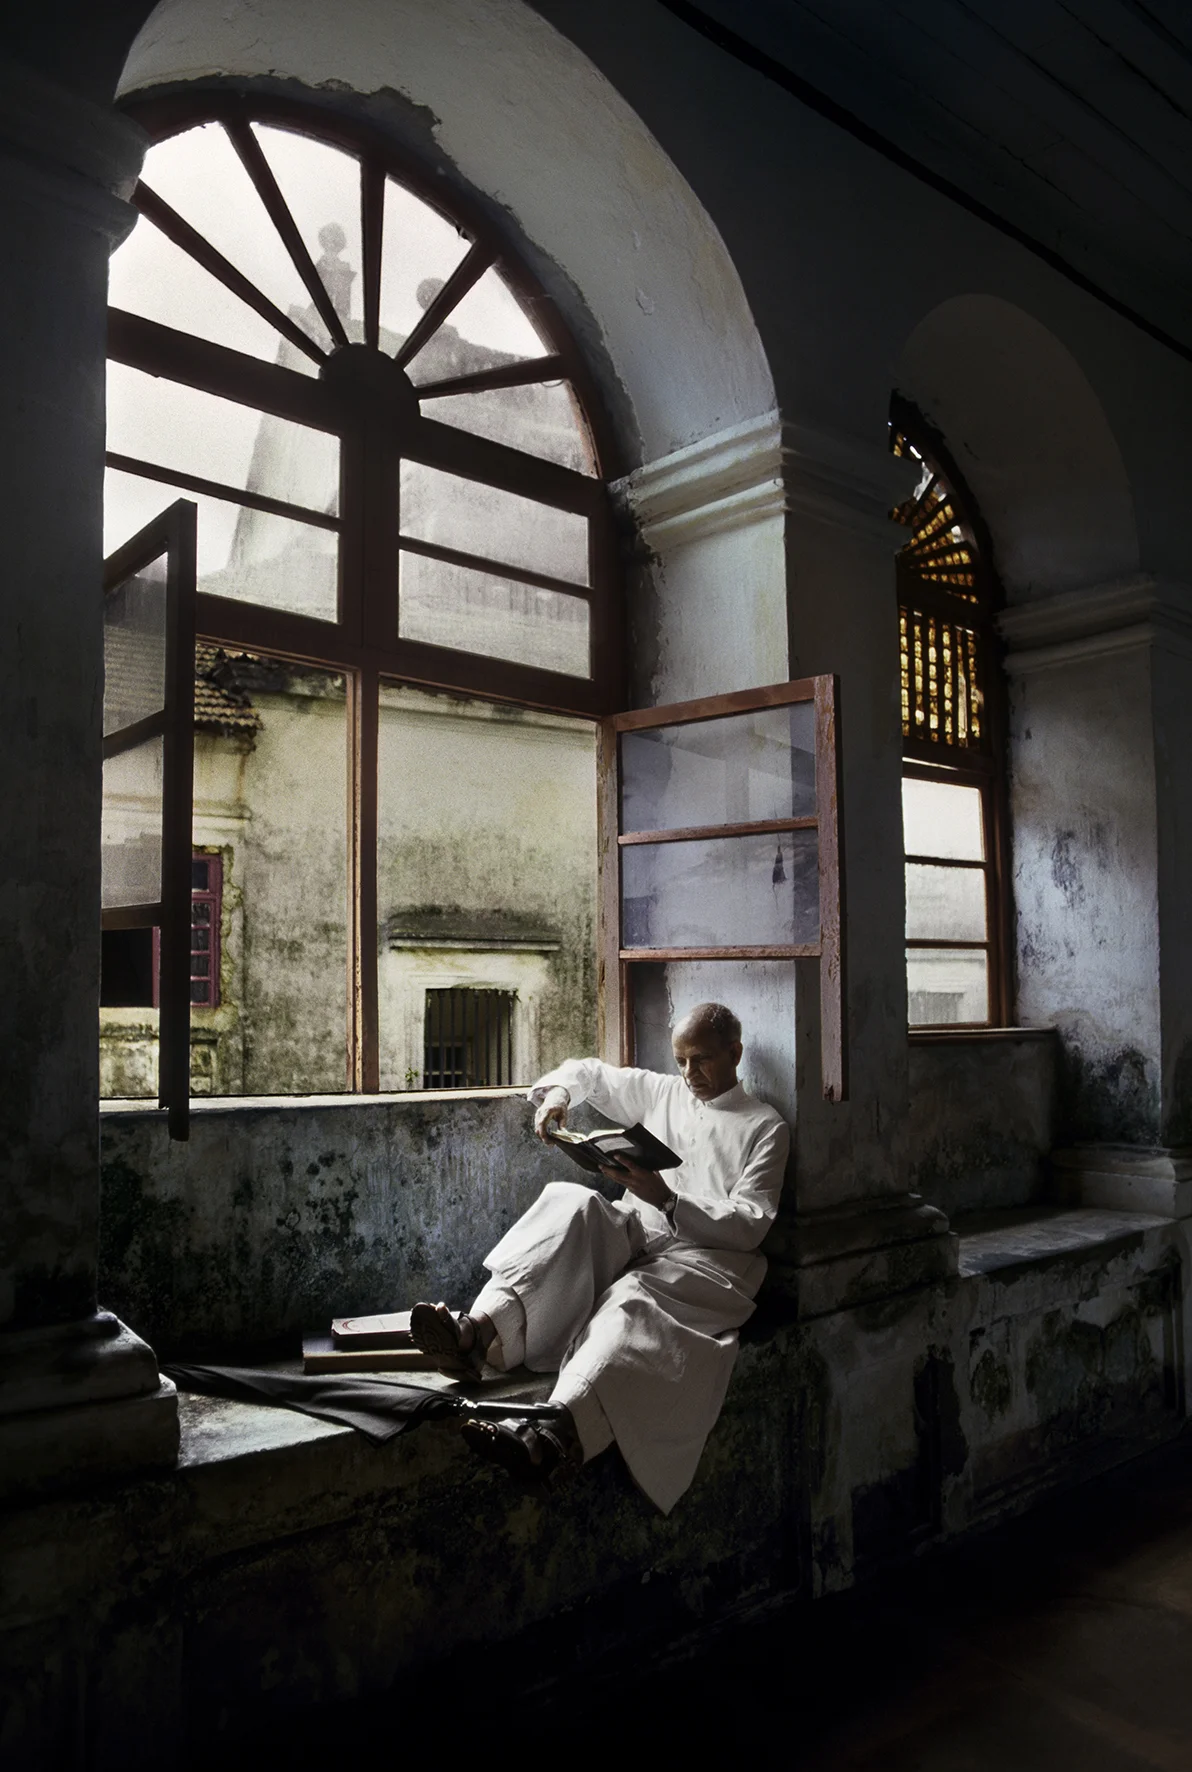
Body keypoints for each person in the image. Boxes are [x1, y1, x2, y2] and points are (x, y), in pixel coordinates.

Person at [410, 1002, 790, 1514]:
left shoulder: (765, 1127)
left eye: (700, 1060)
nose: (688, 1073)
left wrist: (669, 1200)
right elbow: (590, 1072)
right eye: (680, 1060)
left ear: (735, 1054)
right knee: (574, 1202)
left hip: (706, 1263)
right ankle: (473, 1335)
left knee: (631, 1301)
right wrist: (559, 1099)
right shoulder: (664, 1093)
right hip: (639, 1232)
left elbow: (751, 1223)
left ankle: (552, 1434)